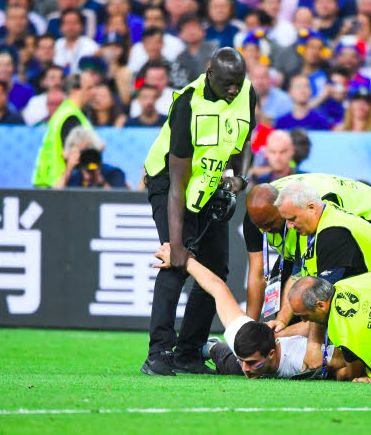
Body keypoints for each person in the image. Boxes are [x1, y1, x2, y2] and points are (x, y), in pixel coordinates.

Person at [141, 47, 256, 376]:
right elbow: (177, 183)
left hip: (210, 182)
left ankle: (188, 353)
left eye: (238, 82)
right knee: (175, 262)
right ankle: (158, 354)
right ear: (209, 74)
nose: (234, 89)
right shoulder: (187, 104)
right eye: (227, 83)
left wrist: (235, 177)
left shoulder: (247, 93)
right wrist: (177, 243)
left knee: (215, 268)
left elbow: (243, 141)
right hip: (170, 183)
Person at [152, 243, 348, 379]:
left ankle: (211, 348)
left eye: (252, 363)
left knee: (229, 363)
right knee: (233, 363)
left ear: (271, 353)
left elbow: (348, 363)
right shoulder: (241, 340)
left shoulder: (303, 358)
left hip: (290, 342)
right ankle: (212, 348)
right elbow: (217, 288)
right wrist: (183, 259)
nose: (246, 370)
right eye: (244, 362)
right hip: (253, 345)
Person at [243, 173, 371, 321]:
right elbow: (257, 274)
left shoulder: (309, 212)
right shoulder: (257, 214)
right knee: (284, 299)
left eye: (270, 224)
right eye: (261, 226)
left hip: (367, 212)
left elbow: (307, 279)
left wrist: (287, 323)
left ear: (282, 211)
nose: (266, 230)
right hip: (302, 222)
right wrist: (249, 325)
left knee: (319, 295)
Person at [33, 71, 95, 188]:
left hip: (49, 181)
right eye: (89, 88)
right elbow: (73, 155)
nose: (93, 92)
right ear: (75, 90)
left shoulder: (65, 112)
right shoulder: (71, 117)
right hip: (59, 184)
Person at [53, 8, 99, 74]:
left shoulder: (91, 45)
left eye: (74, 23)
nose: (71, 27)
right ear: (61, 27)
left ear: (82, 26)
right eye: (67, 23)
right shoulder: (56, 45)